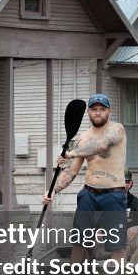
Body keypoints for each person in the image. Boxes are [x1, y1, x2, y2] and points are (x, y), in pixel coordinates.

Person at [42, 94, 127, 263]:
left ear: (109, 111)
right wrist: (52, 191)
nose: (98, 113)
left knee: (117, 245)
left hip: (114, 195)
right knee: (79, 242)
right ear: (88, 112)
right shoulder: (82, 138)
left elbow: (101, 145)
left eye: (102, 109)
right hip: (88, 195)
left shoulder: (117, 129)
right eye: (94, 109)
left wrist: (70, 153)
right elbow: (71, 172)